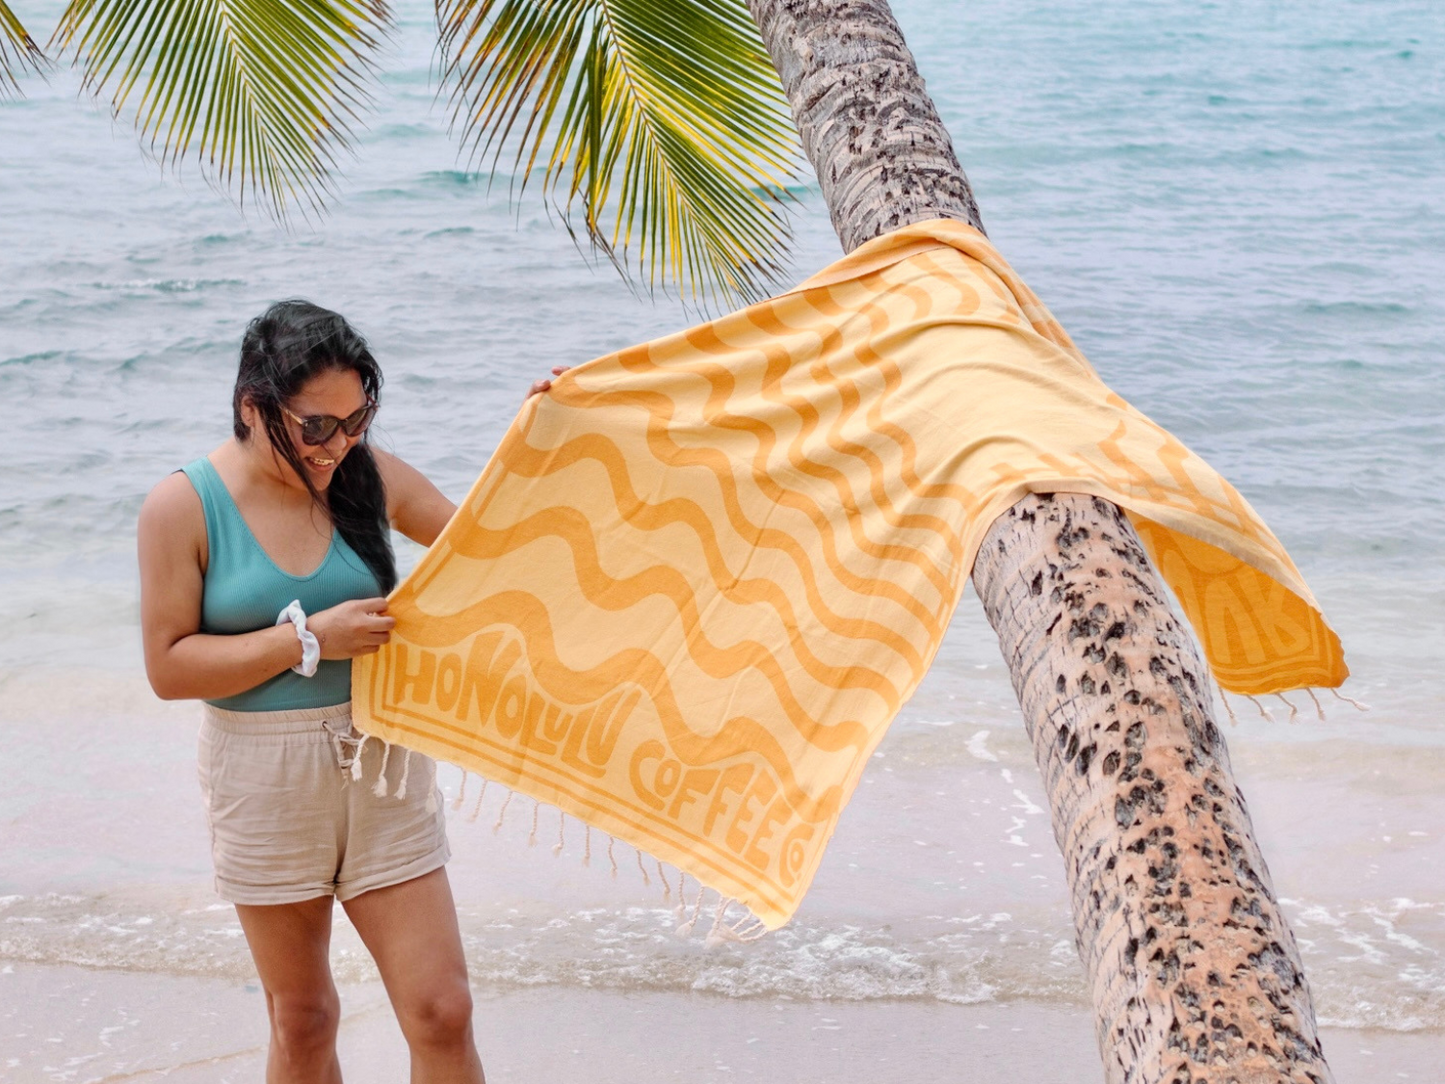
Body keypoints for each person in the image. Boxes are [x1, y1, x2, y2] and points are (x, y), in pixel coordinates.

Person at [137, 300, 559, 1082]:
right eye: (316, 426)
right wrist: (308, 640)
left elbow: (491, 545)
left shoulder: (368, 474)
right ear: (251, 408)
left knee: (442, 1009)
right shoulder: (183, 506)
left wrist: (545, 437)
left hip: (382, 762)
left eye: (356, 418)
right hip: (261, 779)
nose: (340, 443)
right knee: (303, 1020)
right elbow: (168, 667)